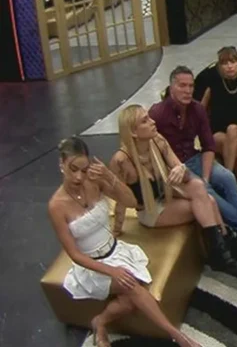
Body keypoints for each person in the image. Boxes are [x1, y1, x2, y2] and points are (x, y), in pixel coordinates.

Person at [48, 137, 201, 347]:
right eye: (73, 169)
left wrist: (109, 177)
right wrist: (112, 271)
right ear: (61, 164)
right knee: (132, 286)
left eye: (84, 170)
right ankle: (179, 337)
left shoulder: (95, 181)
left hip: (116, 251)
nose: (78, 177)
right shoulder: (56, 206)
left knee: (130, 296)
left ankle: (100, 321)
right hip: (91, 266)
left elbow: (131, 201)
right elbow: (75, 255)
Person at [111, 104, 237, 269]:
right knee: (208, 202)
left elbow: (186, 174)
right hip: (150, 211)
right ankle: (226, 249)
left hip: (167, 196)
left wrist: (181, 169)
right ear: (133, 132)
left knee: (200, 188)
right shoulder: (121, 161)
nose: (152, 122)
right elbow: (120, 200)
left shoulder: (158, 141)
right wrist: (116, 231)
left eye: (149, 117)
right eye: (145, 121)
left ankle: (223, 250)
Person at [149, 66, 237, 254]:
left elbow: (208, 146)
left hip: (195, 158)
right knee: (204, 190)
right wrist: (200, 182)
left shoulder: (198, 109)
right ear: (171, 87)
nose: (188, 90)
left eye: (191, 86)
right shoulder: (157, 113)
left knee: (227, 177)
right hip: (174, 167)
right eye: (182, 86)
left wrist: (206, 176)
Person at [200, 47, 237, 210]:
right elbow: (200, 111)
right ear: (219, 67)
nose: (229, 66)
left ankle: (227, 180)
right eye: (225, 63)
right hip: (218, 131)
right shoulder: (213, 85)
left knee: (233, 130)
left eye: (232, 62)